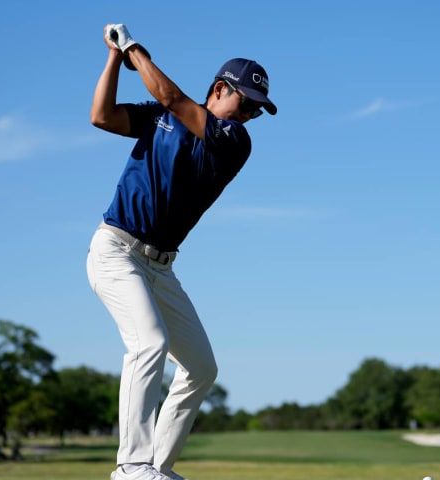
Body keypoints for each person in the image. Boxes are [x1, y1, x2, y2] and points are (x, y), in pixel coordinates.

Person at [86, 24, 277, 480]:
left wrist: (133, 48)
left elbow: (175, 100)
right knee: (149, 344)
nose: (248, 115)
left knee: (201, 369)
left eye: (255, 110)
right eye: (245, 103)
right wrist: (115, 56)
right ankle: (131, 465)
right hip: (115, 251)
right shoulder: (157, 117)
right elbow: (101, 116)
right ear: (219, 89)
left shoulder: (235, 142)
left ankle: (157, 467)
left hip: (161, 268)